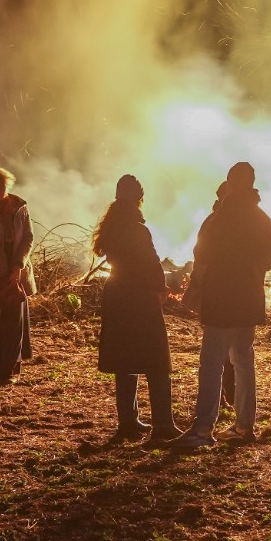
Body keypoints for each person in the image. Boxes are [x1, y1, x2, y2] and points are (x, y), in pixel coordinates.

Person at [176, 163, 271, 449]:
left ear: (231, 183)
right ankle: (245, 425)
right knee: (243, 361)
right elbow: (268, 262)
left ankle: (202, 429)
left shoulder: (220, 218)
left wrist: (197, 289)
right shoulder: (263, 220)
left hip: (221, 300)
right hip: (248, 301)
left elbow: (202, 255)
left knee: (211, 364)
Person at [93, 176, 180, 441]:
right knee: (156, 362)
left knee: (124, 360)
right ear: (138, 198)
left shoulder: (110, 226)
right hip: (139, 298)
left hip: (117, 294)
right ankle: (163, 425)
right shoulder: (137, 228)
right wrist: (161, 288)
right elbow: (151, 263)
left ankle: (128, 423)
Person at [0, 168, 35, 385]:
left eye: (2, 186)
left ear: (7, 186)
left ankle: (10, 370)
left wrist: (19, 265)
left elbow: (28, 237)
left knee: (14, 325)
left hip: (15, 273)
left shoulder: (19, 207)